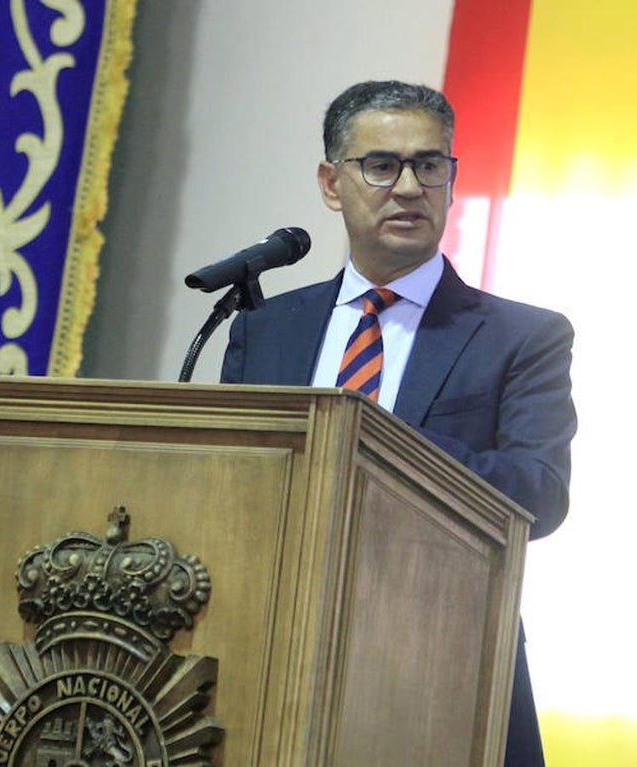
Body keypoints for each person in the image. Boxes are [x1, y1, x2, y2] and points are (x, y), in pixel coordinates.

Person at [220, 80, 576, 766]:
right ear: (332, 182)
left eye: (429, 165)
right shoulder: (266, 330)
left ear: (450, 179)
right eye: (381, 165)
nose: (409, 185)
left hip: (446, 661)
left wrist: (374, 440)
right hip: (271, 658)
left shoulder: (521, 336)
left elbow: (540, 490)